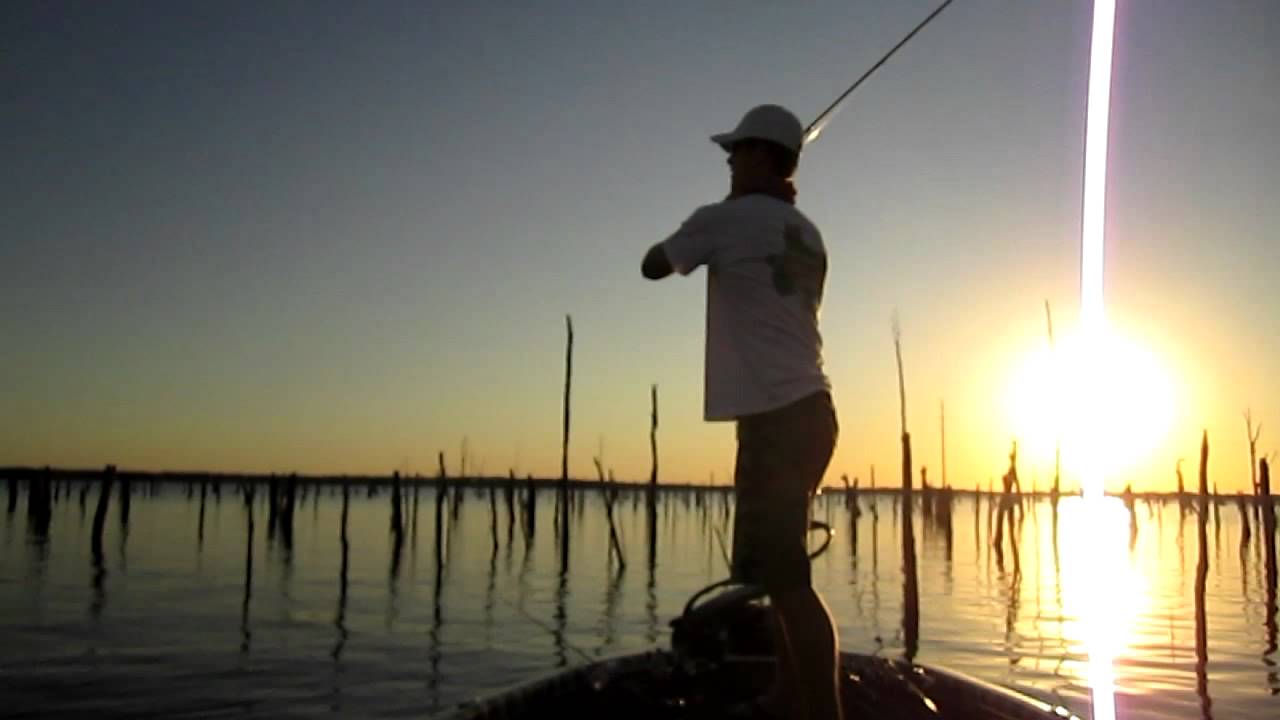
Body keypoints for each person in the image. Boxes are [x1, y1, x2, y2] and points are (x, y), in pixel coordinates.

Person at [640, 104, 842, 720]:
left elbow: (654, 265)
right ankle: (787, 693)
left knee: (788, 582)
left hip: (777, 421)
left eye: (736, 151)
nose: (728, 162)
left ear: (761, 155)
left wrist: (691, 234)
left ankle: (823, 713)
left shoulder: (722, 220)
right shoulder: (808, 233)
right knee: (776, 572)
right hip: (811, 415)